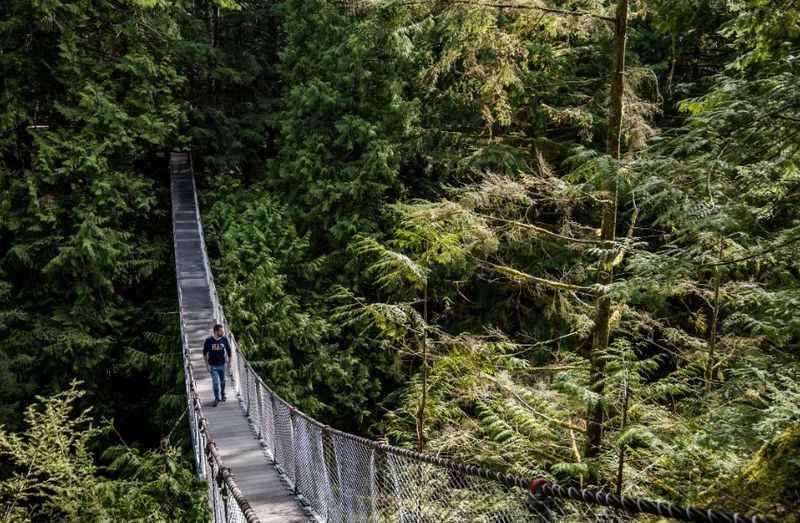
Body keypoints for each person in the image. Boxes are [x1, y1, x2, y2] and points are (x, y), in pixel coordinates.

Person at [203, 324, 232, 407]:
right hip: (213, 366)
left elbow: (229, 351)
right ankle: (216, 398)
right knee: (216, 383)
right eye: (221, 331)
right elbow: (204, 353)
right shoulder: (208, 341)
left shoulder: (224, 339)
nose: (223, 332)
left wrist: (230, 362)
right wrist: (206, 364)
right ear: (216, 332)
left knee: (223, 382)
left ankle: (223, 394)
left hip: (222, 365)